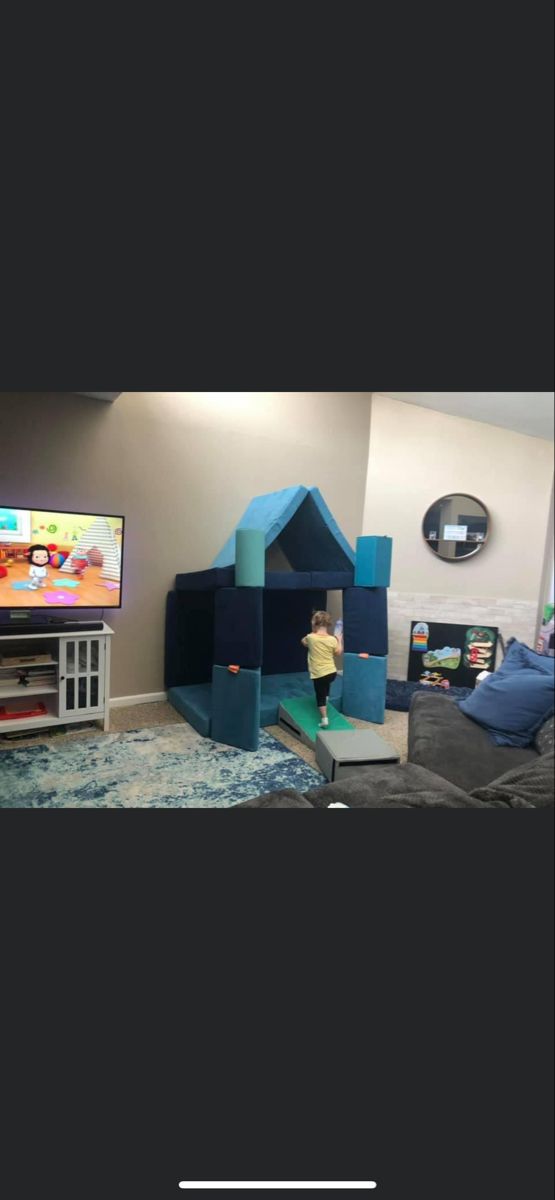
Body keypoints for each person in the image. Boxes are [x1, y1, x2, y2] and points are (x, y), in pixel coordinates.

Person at [301, 610, 343, 727]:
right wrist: (339, 640)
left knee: (319, 695)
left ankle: (324, 719)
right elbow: (338, 652)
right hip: (332, 673)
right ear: (328, 624)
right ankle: (326, 698)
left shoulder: (310, 637)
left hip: (319, 674)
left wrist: (313, 634)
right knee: (326, 685)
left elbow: (303, 642)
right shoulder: (332, 640)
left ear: (314, 623)